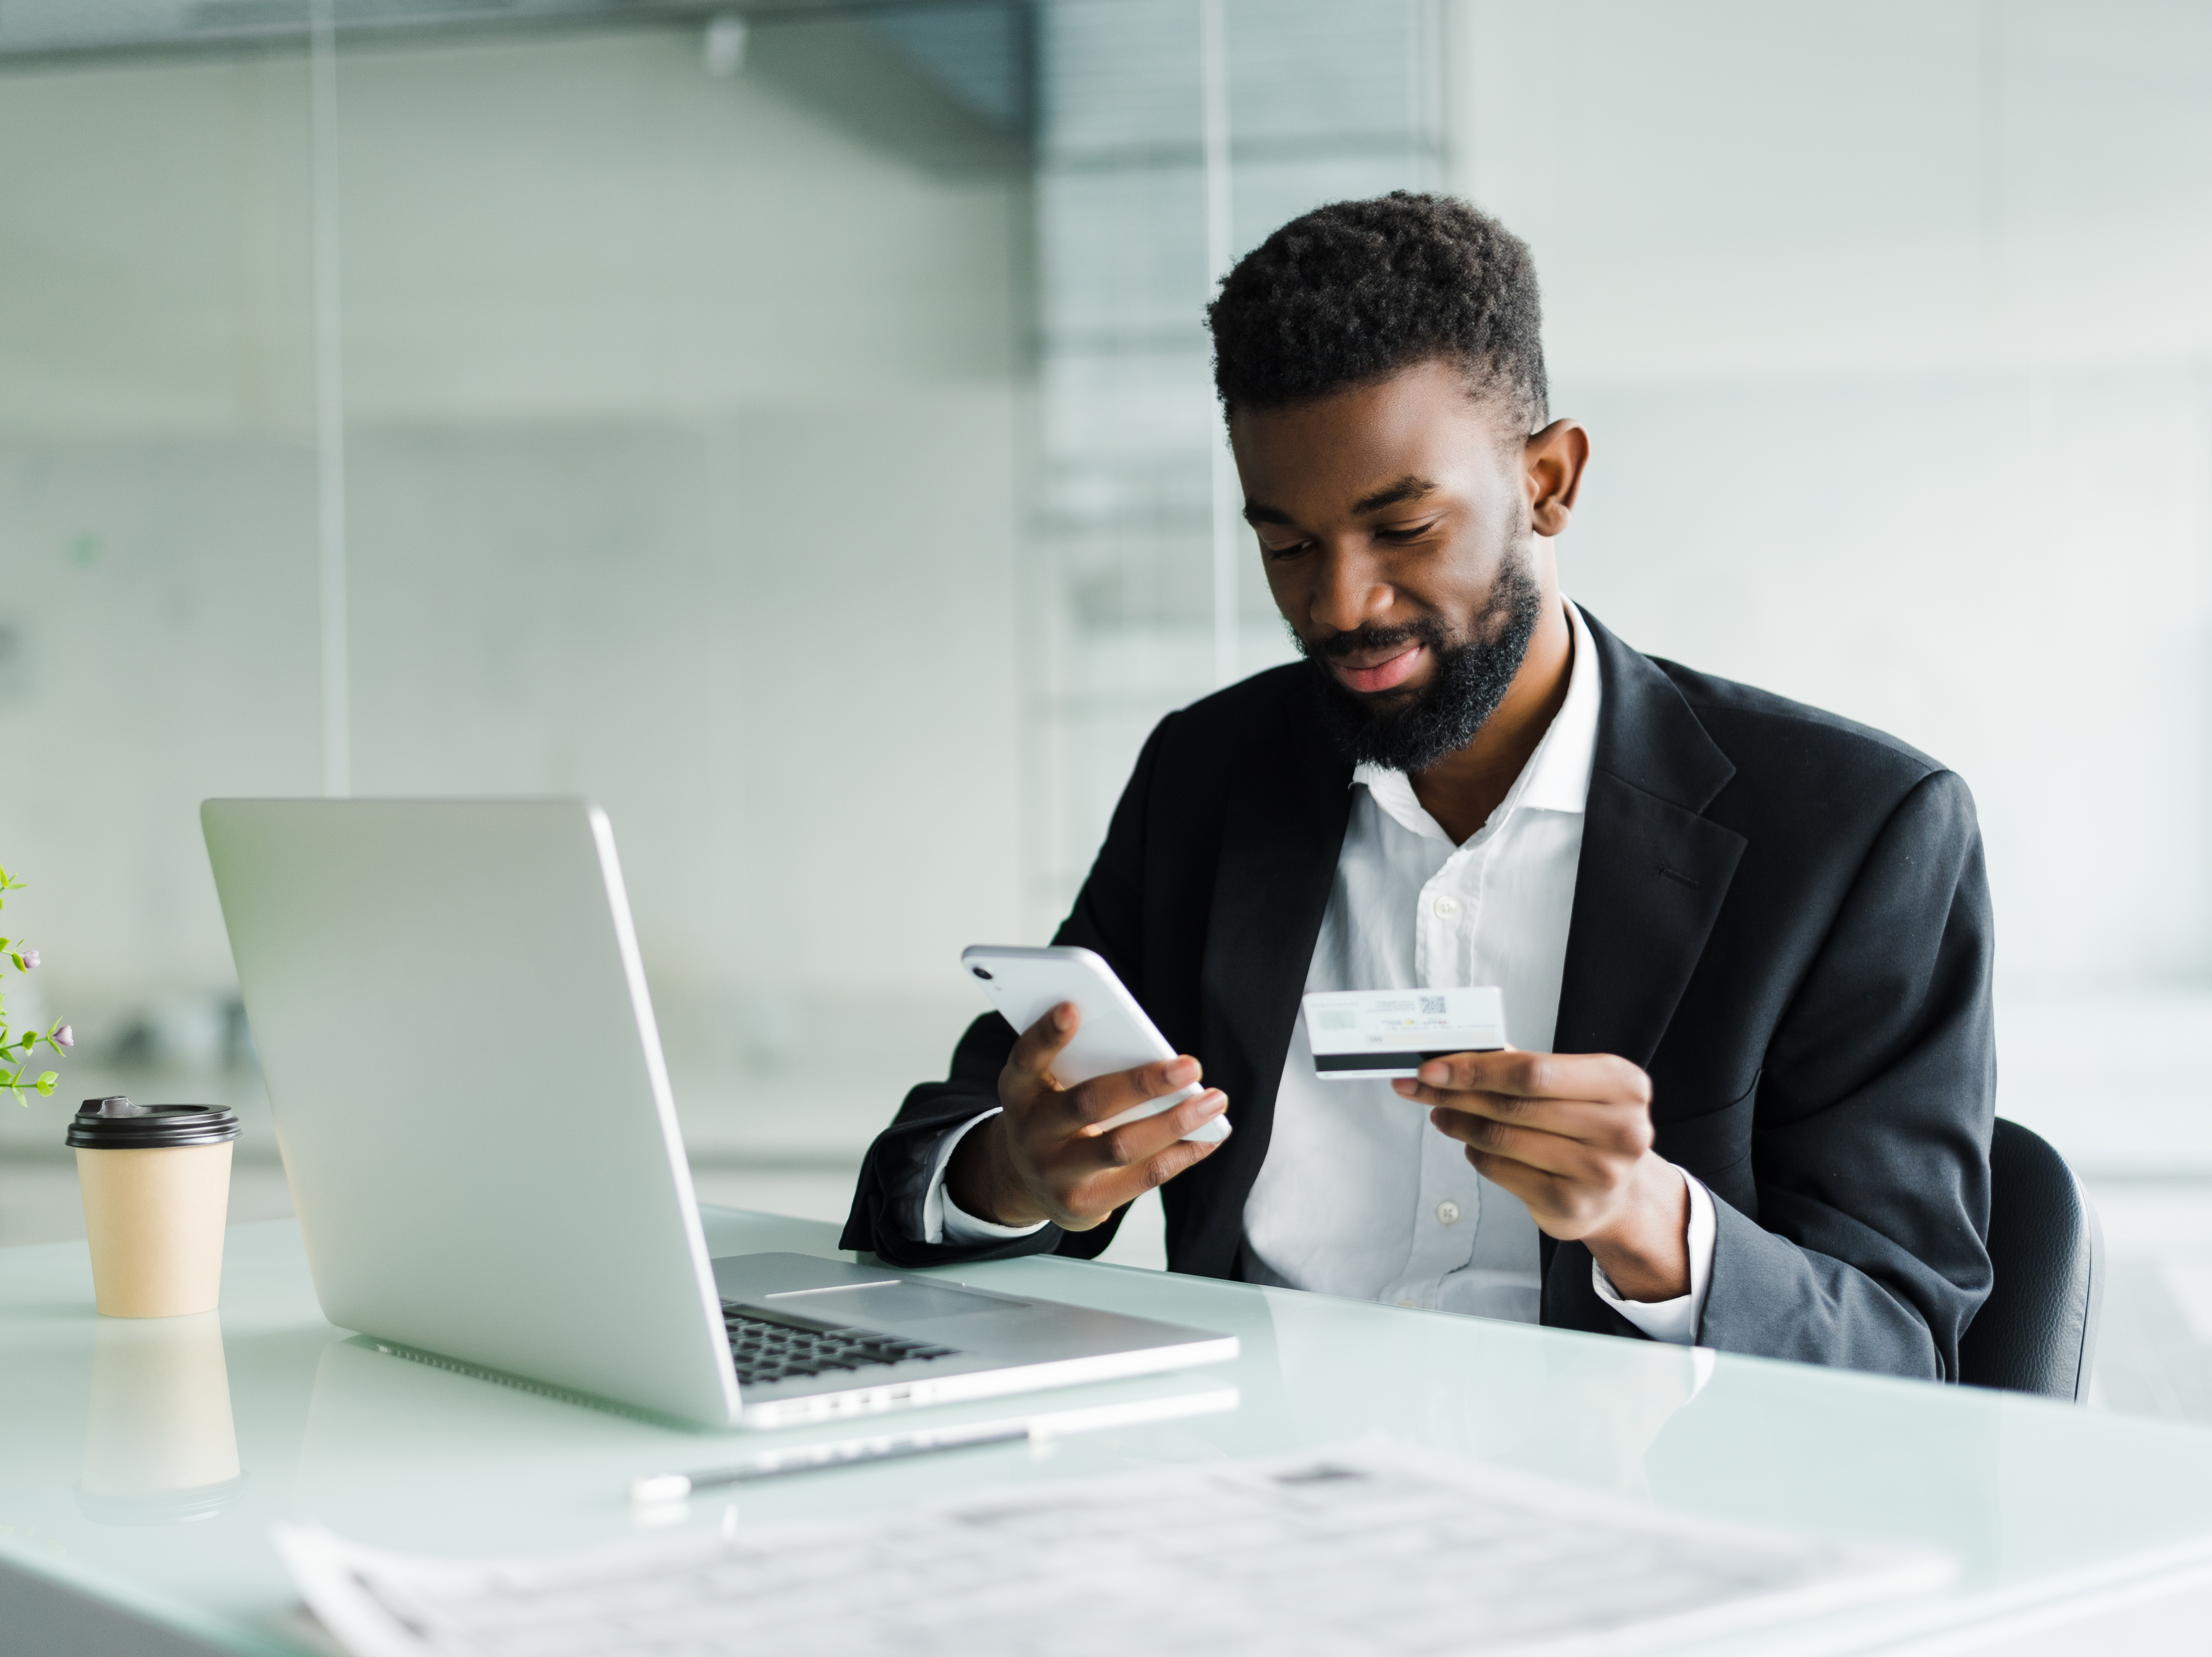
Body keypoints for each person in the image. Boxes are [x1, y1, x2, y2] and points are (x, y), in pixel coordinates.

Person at [840, 194, 1993, 1377]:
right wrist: (1018, 1175)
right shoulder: (1212, 776)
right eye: (1288, 546)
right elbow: (920, 1175)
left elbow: (1906, 1350)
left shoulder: (1857, 837)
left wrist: (1655, 1226)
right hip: (1257, 1497)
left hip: (1647, 1507)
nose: (1339, 604)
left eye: (1404, 528)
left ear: (1548, 482)